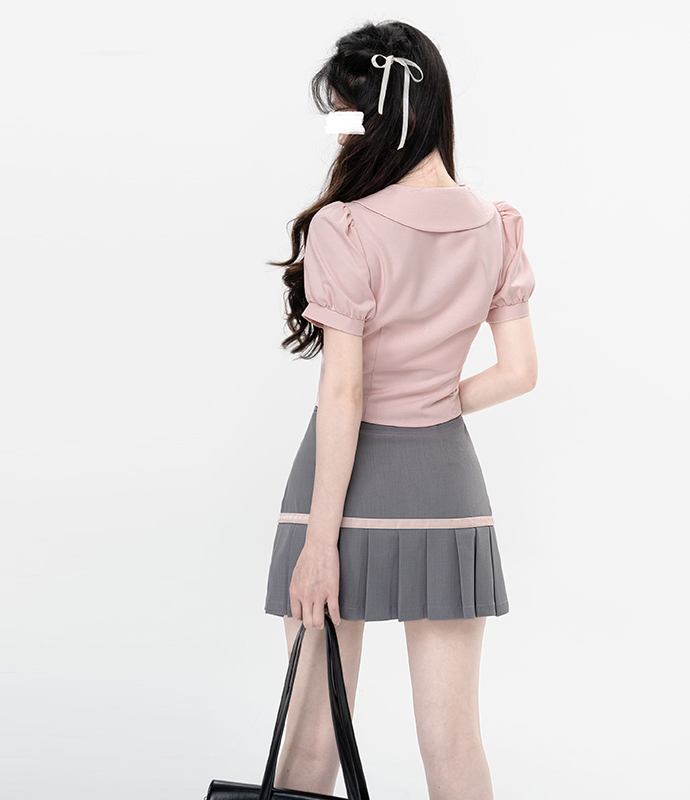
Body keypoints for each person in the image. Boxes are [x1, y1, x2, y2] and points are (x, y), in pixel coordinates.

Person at [263, 19, 538, 800]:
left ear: (382, 114)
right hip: (447, 490)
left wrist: (321, 544)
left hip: (337, 495)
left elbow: (345, 394)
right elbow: (520, 373)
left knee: (311, 742)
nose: (338, 133)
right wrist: (438, 400)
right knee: (454, 746)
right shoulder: (497, 225)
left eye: (344, 115)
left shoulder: (346, 225)